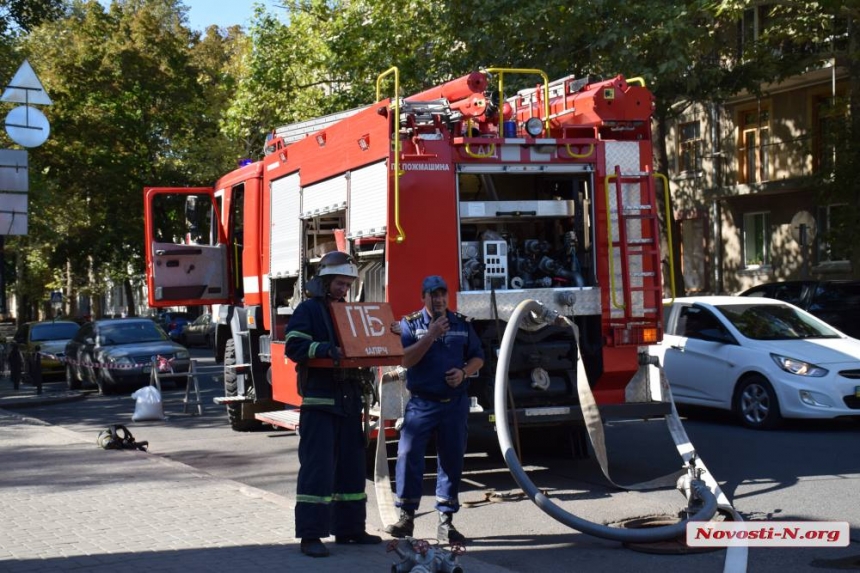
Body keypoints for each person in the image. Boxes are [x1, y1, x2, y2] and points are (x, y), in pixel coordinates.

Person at [284, 251, 382, 558]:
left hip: (350, 402)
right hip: (320, 403)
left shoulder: (349, 311)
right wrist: (327, 349)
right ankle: (311, 535)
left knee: (352, 470)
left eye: (348, 283)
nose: (344, 289)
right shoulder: (308, 310)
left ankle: (350, 528)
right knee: (318, 470)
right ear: (324, 281)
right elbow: (295, 345)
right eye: (339, 283)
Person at [386, 275, 485, 544]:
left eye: (443, 294)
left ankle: (446, 522)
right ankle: (406, 518)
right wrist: (431, 335)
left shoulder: (462, 324)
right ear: (423, 298)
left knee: (451, 459)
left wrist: (464, 373)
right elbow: (406, 360)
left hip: (454, 404)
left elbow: (478, 357)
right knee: (407, 454)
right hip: (422, 402)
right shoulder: (410, 324)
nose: (439, 299)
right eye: (433, 295)